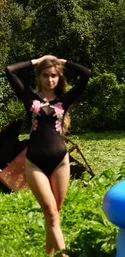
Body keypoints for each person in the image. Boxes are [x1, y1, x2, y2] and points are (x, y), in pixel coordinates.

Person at [4, 55, 91, 256]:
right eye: (46, 75)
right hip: (35, 163)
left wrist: (63, 61)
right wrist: (38, 60)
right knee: (51, 214)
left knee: (54, 215)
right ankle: (64, 254)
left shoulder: (64, 100)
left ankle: (48, 254)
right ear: (40, 77)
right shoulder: (29, 98)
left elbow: (86, 74)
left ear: (58, 78)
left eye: (53, 76)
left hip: (60, 161)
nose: (50, 80)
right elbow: (9, 70)